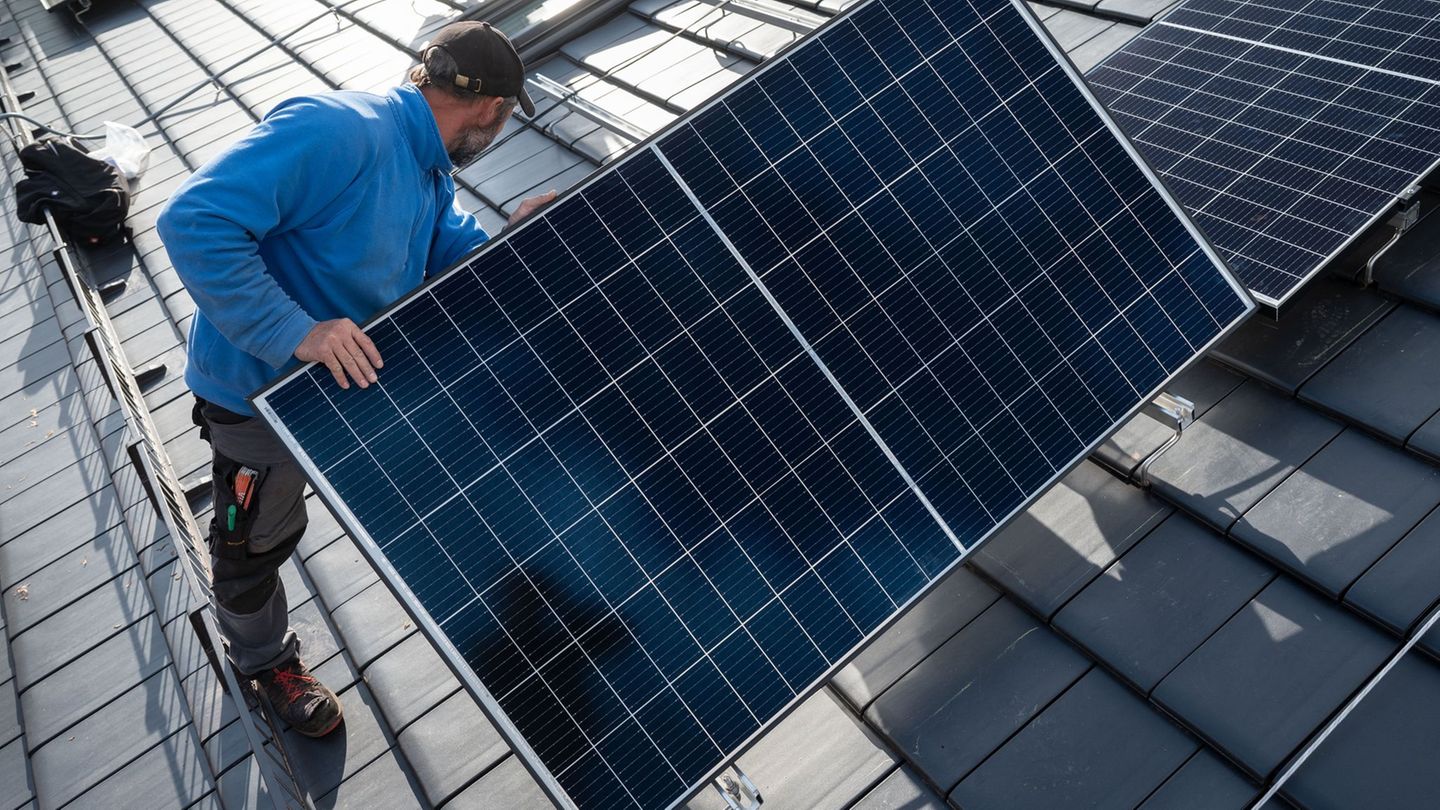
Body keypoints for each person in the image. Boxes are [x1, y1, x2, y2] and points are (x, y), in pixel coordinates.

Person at [157, 21, 554, 737]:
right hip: (259, 398)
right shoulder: (341, 130)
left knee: (463, 478)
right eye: (501, 120)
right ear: (492, 109)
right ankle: (263, 662)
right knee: (253, 539)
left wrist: (514, 243)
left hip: (352, 380)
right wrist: (296, 331)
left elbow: (447, 253)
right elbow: (193, 218)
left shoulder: (426, 168)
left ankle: (526, 624)